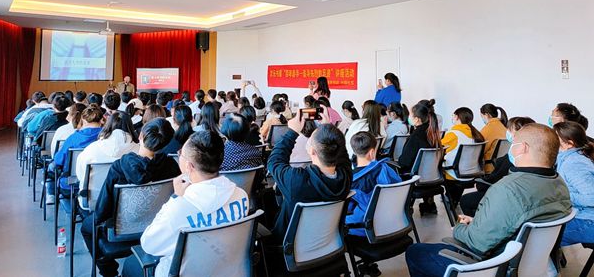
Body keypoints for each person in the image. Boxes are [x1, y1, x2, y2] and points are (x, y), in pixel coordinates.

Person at [405, 124, 572, 277]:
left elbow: (477, 243)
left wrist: (460, 228)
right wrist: (478, 222)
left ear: (522, 148)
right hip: (529, 266)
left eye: (514, 143)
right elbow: (520, 222)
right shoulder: (559, 184)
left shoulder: (508, 188)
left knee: (416, 251)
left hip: (493, 267)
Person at [121, 130, 249, 277]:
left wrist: (175, 197)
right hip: (228, 268)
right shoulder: (241, 195)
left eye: (180, 153)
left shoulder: (178, 207)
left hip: (187, 272)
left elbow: (149, 244)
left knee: (130, 265)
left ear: (189, 166)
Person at [81, 118, 180, 277]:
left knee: (87, 227)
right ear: (166, 142)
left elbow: (103, 209)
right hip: (157, 227)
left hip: (120, 230)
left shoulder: (119, 167)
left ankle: (108, 271)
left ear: (140, 136)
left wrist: (98, 219)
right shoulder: (172, 166)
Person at [266, 111, 352, 244]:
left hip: (291, 246)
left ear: (312, 151)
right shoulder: (345, 177)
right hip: (329, 244)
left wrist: (292, 132)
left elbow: (274, 162)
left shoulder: (297, 180)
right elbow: (342, 154)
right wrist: (329, 129)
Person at [346, 132, 401, 275]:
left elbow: (347, 209)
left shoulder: (351, 180)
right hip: (394, 224)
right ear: (372, 151)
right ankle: (368, 265)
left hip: (365, 229)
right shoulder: (387, 169)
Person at [460, 116, 534, 216]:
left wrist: (480, 183)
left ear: (519, 133)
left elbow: (496, 179)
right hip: (516, 193)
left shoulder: (513, 158)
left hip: (503, 193)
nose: (507, 132)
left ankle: (480, 223)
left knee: (465, 200)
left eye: (510, 130)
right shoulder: (532, 154)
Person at [46, 104, 104, 202]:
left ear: (83, 120)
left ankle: (51, 195)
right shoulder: (106, 137)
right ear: (101, 120)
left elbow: (59, 160)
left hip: (73, 184)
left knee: (52, 166)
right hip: (100, 184)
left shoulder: (74, 138)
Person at [75, 111, 139, 196]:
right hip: (129, 199)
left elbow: (80, 175)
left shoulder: (90, 150)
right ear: (130, 126)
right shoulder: (139, 151)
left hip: (94, 198)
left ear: (108, 125)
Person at [554, 121, 594, 246]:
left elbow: (592, 198)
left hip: (588, 220)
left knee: (542, 238)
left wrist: (563, 196)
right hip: (583, 216)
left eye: (555, 138)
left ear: (569, 143)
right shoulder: (570, 158)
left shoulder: (574, 164)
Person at [442, 107, 485, 207]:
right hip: (473, 172)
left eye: (453, 116)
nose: (452, 118)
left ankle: (447, 198)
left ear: (457, 117)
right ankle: (453, 198)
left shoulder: (453, 134)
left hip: (454, 173)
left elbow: (438, 148)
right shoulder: (475, 133)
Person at [480, 103, 508, 172]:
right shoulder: (503, 126)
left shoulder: (488, 128)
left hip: (489, 167)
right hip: (501, 166)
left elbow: (479, 150)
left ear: (486, 115)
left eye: (481, 116)